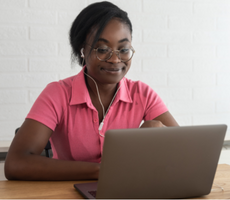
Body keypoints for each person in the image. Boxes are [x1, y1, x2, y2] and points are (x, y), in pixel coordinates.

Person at [4, 1, 178, 181]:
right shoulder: (57, 94)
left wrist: (157, 140)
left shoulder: (143, 94)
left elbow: (186, 153)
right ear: (82, 50)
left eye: (123, 49)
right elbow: (16, 163)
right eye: (102, 49)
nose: (115, 59)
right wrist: (102, 170)